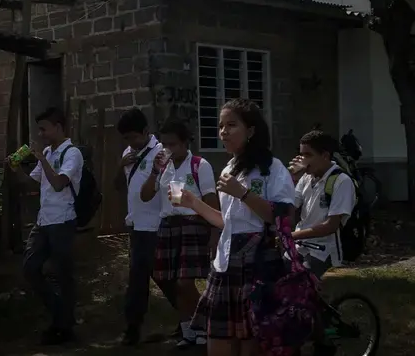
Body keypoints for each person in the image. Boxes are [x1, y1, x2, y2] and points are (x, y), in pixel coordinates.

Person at [170, 98, 295, 356]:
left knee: (252, 345)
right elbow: (227, 223)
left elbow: (283, 218)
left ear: (250, 131)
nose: (223, 132)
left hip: (257, 264)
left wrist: (243, 193)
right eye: (220, 126)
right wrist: (193, 203)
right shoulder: (229, 168)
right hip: (225, 265)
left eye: (231, 125)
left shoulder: (272, 168)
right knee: (218, 344)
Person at [140, 120, 220, 348]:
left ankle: (205, 325)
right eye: (164, 144)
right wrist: (155, 171)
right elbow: (145, 196)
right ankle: (188, 331)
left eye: (173, 144)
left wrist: (214, 233)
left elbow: (211, 200)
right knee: (173, 283)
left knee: (186, 282)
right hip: (168, 225)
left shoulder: (199, 165)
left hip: (192, 224)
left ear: (185, 142)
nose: (168, 149)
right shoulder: (163, 167)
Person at [10, 107, 83, 345]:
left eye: (44, 129)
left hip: (63, 220)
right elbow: (32, 184)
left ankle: (64, 326)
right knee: (30, 268)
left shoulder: (72, 154)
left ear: (59, 127)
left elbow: (59, 184)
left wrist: (42, 158)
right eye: (39, 129)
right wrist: (15, 168)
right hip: (44, 221)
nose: (41, 134)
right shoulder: (50, 152)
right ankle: (61, 317)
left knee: (63, 275)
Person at [114, 108, 177, 346]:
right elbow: (118, 185)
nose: (130, 143)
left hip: (157, 225)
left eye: (133, 137)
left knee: (164, 277)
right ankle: (133, 328)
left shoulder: (161, 153)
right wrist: (121, 165)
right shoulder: (128, 154)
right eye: (126, 139)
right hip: (137, 226)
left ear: (146, 131)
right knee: (139, 278)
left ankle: (191, 319)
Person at [288, 130, 357, 277]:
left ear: (325, 156)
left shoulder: (341, 181)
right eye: (301, 155)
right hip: (300, 246)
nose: (303, 160)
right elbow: (289, 208)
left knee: (301, 280)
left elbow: (331, 226)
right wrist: (291, 179)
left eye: (308, 155)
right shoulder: (306, 178)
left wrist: (293, 235)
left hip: (323, 251)